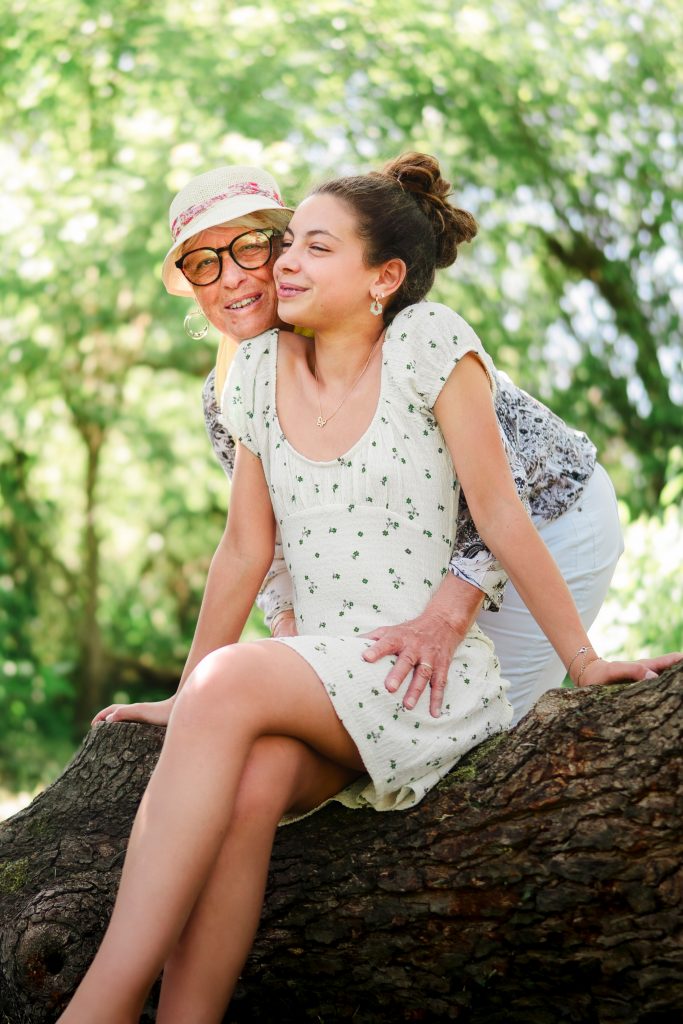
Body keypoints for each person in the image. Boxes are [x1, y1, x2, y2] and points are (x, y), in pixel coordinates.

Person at [61, 154, 680, 1024]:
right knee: (250, 782)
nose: (243, 274)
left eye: (257, 248)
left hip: (525, 552)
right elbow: (253, 549)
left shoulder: (424, 340)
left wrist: (581, 659)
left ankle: (98, 1007)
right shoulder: (243, 382)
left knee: (230, 679)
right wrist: (187, 698)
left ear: (369, 273)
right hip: (344, 656)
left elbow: (507, 510)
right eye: (204, 263)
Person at [110, 163, 670, 729]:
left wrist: (447, 619)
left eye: (250, 248)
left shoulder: (396, 328)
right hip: (435, 557)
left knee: (483, 736)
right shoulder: (231, 390)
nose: (230, 278)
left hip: (551, 520)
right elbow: (261, 539)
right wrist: (294, 639)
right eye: (203, 264)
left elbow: (503, 496)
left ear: (282, 250)